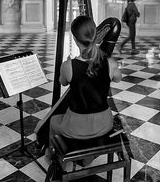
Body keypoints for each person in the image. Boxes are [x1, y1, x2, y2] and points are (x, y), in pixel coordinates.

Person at [49, 15, 121, 165]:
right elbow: (117, 79)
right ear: (96, 35)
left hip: (76, 127)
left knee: (54, 121)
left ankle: (54, 161)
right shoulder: (110, 63)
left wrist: (68, 66)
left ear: (75, 39)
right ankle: (87, 157)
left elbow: (62, 82)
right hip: (104, 124)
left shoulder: (68, 66)